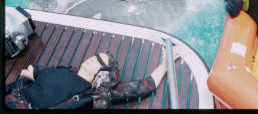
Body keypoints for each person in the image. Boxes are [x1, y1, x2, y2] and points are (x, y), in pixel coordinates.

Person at [5, 47, 181, 109]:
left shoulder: (93, 92)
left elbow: (145, 86)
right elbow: (36, 74)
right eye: (95, 56)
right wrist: (33, 73)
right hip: (11, 97)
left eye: (99, 62)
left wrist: (165, 65)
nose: (92, 60)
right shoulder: (67, 70)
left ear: (103, 74)